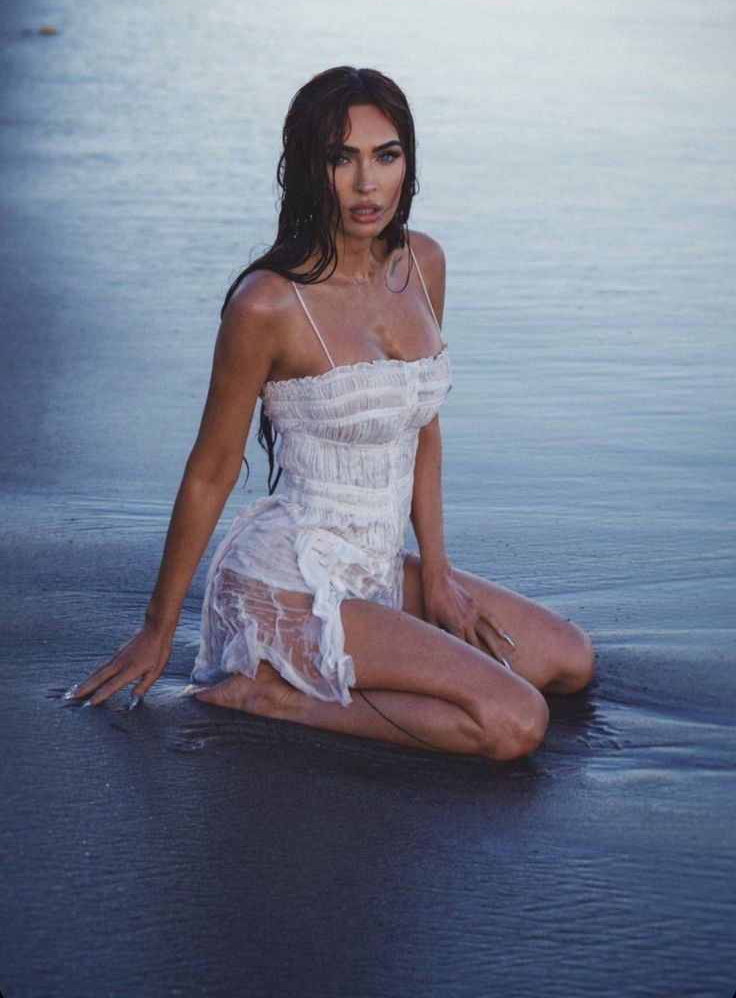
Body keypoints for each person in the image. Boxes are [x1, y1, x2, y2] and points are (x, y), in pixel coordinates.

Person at [72, 66, 594, 758]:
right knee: (514, 723)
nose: (366, 182)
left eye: (386, 155)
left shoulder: (422, 263)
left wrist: (435, 573)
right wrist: (157, 627)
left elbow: (422, 425)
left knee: (567, 660)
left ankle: (348, 659)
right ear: (307, 169)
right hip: (287, 578)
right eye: (340, 158)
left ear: (408, 161)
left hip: (378, 565)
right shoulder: (266, 304)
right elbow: (212, 470)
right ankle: (271, 692)